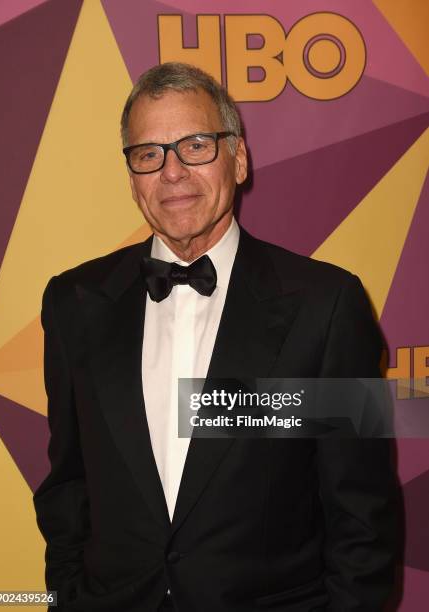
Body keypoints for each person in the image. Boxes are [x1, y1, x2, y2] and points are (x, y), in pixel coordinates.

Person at [33, 62, 397, 612]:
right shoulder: (73, 303)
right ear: (132, 175)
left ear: (240, 158)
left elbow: (361, 518)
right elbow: (68, 485)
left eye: (196, 145)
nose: (172, 173)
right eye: (149, 154)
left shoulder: (327, 306)